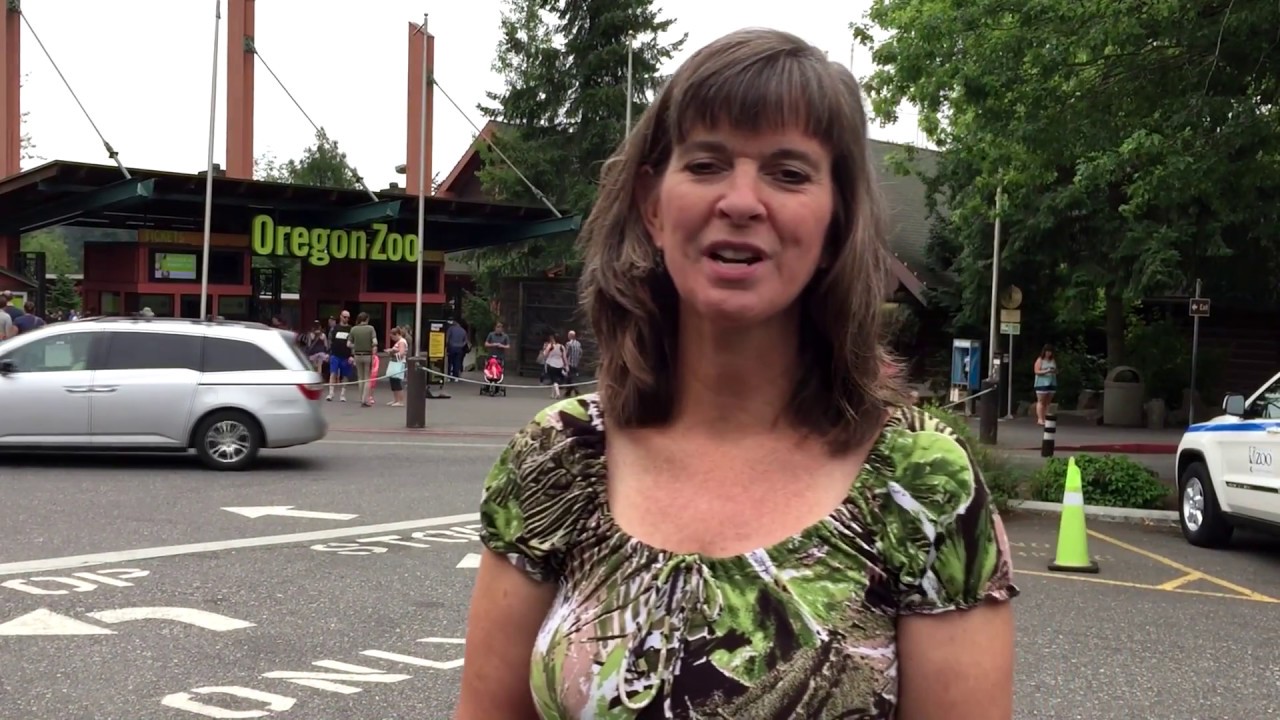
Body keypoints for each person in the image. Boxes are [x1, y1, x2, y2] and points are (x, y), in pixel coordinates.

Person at [456, 28, 1017, 720]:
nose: (742, 201)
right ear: (653, 207)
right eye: (706, 164)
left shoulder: (922, 482)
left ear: (836, 222)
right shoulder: (559, 457)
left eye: (789, 173)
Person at [348, 312, 379, 407]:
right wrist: (371, 347)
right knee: (367, 378)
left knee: (360, 377)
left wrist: (357, 346)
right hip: (367, 355)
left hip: (357, 355)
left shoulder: (353, 329)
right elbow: (375, 342)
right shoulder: (370, 328)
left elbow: (348, 344)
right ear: (367, 319)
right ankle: (365, 399)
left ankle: (361, 397)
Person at [326, 311, 355, 402]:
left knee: (345, 375)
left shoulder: (351, 329)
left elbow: (353, 343)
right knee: (333, 373)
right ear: (341, 317)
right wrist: (328, 353)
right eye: (345, 317)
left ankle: (343, 394)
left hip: (346, 356)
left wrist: (352, 355)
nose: (346, 319)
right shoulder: (334, 328)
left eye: (348, 317)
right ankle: (331, 393)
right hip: (335, 355)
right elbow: (330, 341)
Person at [1033, 344, 1058, 426]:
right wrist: (1046, 371)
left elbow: (1056, 370)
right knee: (1041, 401)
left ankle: (1046, 418)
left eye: (1050, 352)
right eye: (1047, 352)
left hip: (1052, 382)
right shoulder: (1040, 360)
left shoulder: (1052, 360)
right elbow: (1036, 371)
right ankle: (1040, 419)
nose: (1048, 353)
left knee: (1048, 402)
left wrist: (1054, 371)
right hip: (1041, 383)